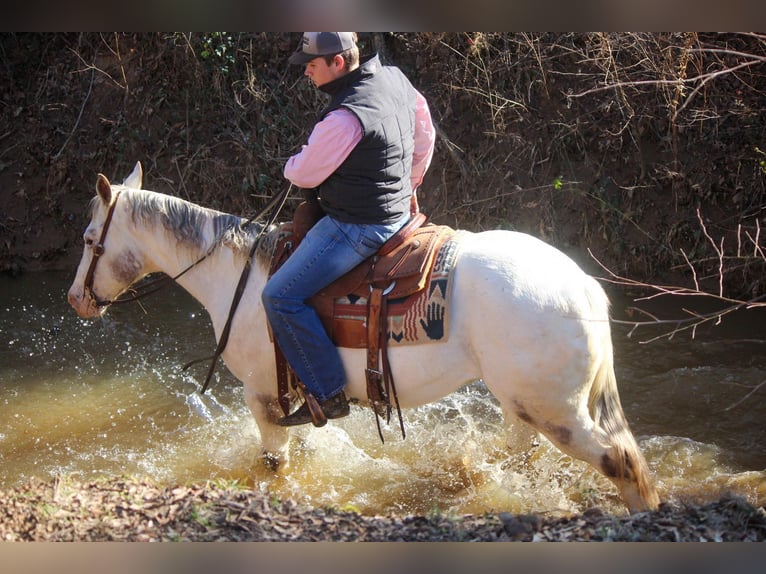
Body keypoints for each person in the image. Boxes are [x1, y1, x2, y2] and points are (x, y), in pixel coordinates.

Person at [262, 32, 436, 427]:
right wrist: (407, 186)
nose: (306, 70)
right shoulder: (395, 79)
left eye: (311, 63)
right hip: (398, 214)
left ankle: (327, 392)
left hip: (357, 225)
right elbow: (425, 137)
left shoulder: (344, 118)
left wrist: (292, 162)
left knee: (279, 296)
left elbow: (303, 172)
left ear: (337, 63)